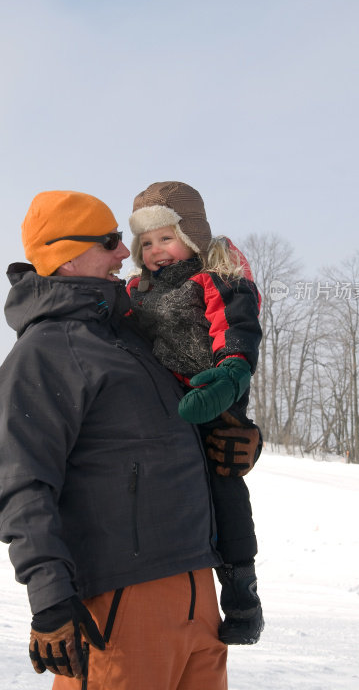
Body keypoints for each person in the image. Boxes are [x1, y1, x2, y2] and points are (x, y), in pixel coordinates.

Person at [0, 189, 255, 690]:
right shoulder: (45, 352)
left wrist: (238, 437)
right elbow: (22, 485)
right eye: (111, 240)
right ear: (67, 256)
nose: (124, 253)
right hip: (121, 603)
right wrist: (49, 597)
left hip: (199, 593)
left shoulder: (136, 338)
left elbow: (174, 432)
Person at [127, 180, 264, 645]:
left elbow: (236, 330)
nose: (156, 250)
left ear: (191, 236)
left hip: (213, 399)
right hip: (165, 410)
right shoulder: (134, 292)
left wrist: (230, 376)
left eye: (165, 237)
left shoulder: (216, 278)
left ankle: (242, 594)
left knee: (224, 483)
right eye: (146, 243)